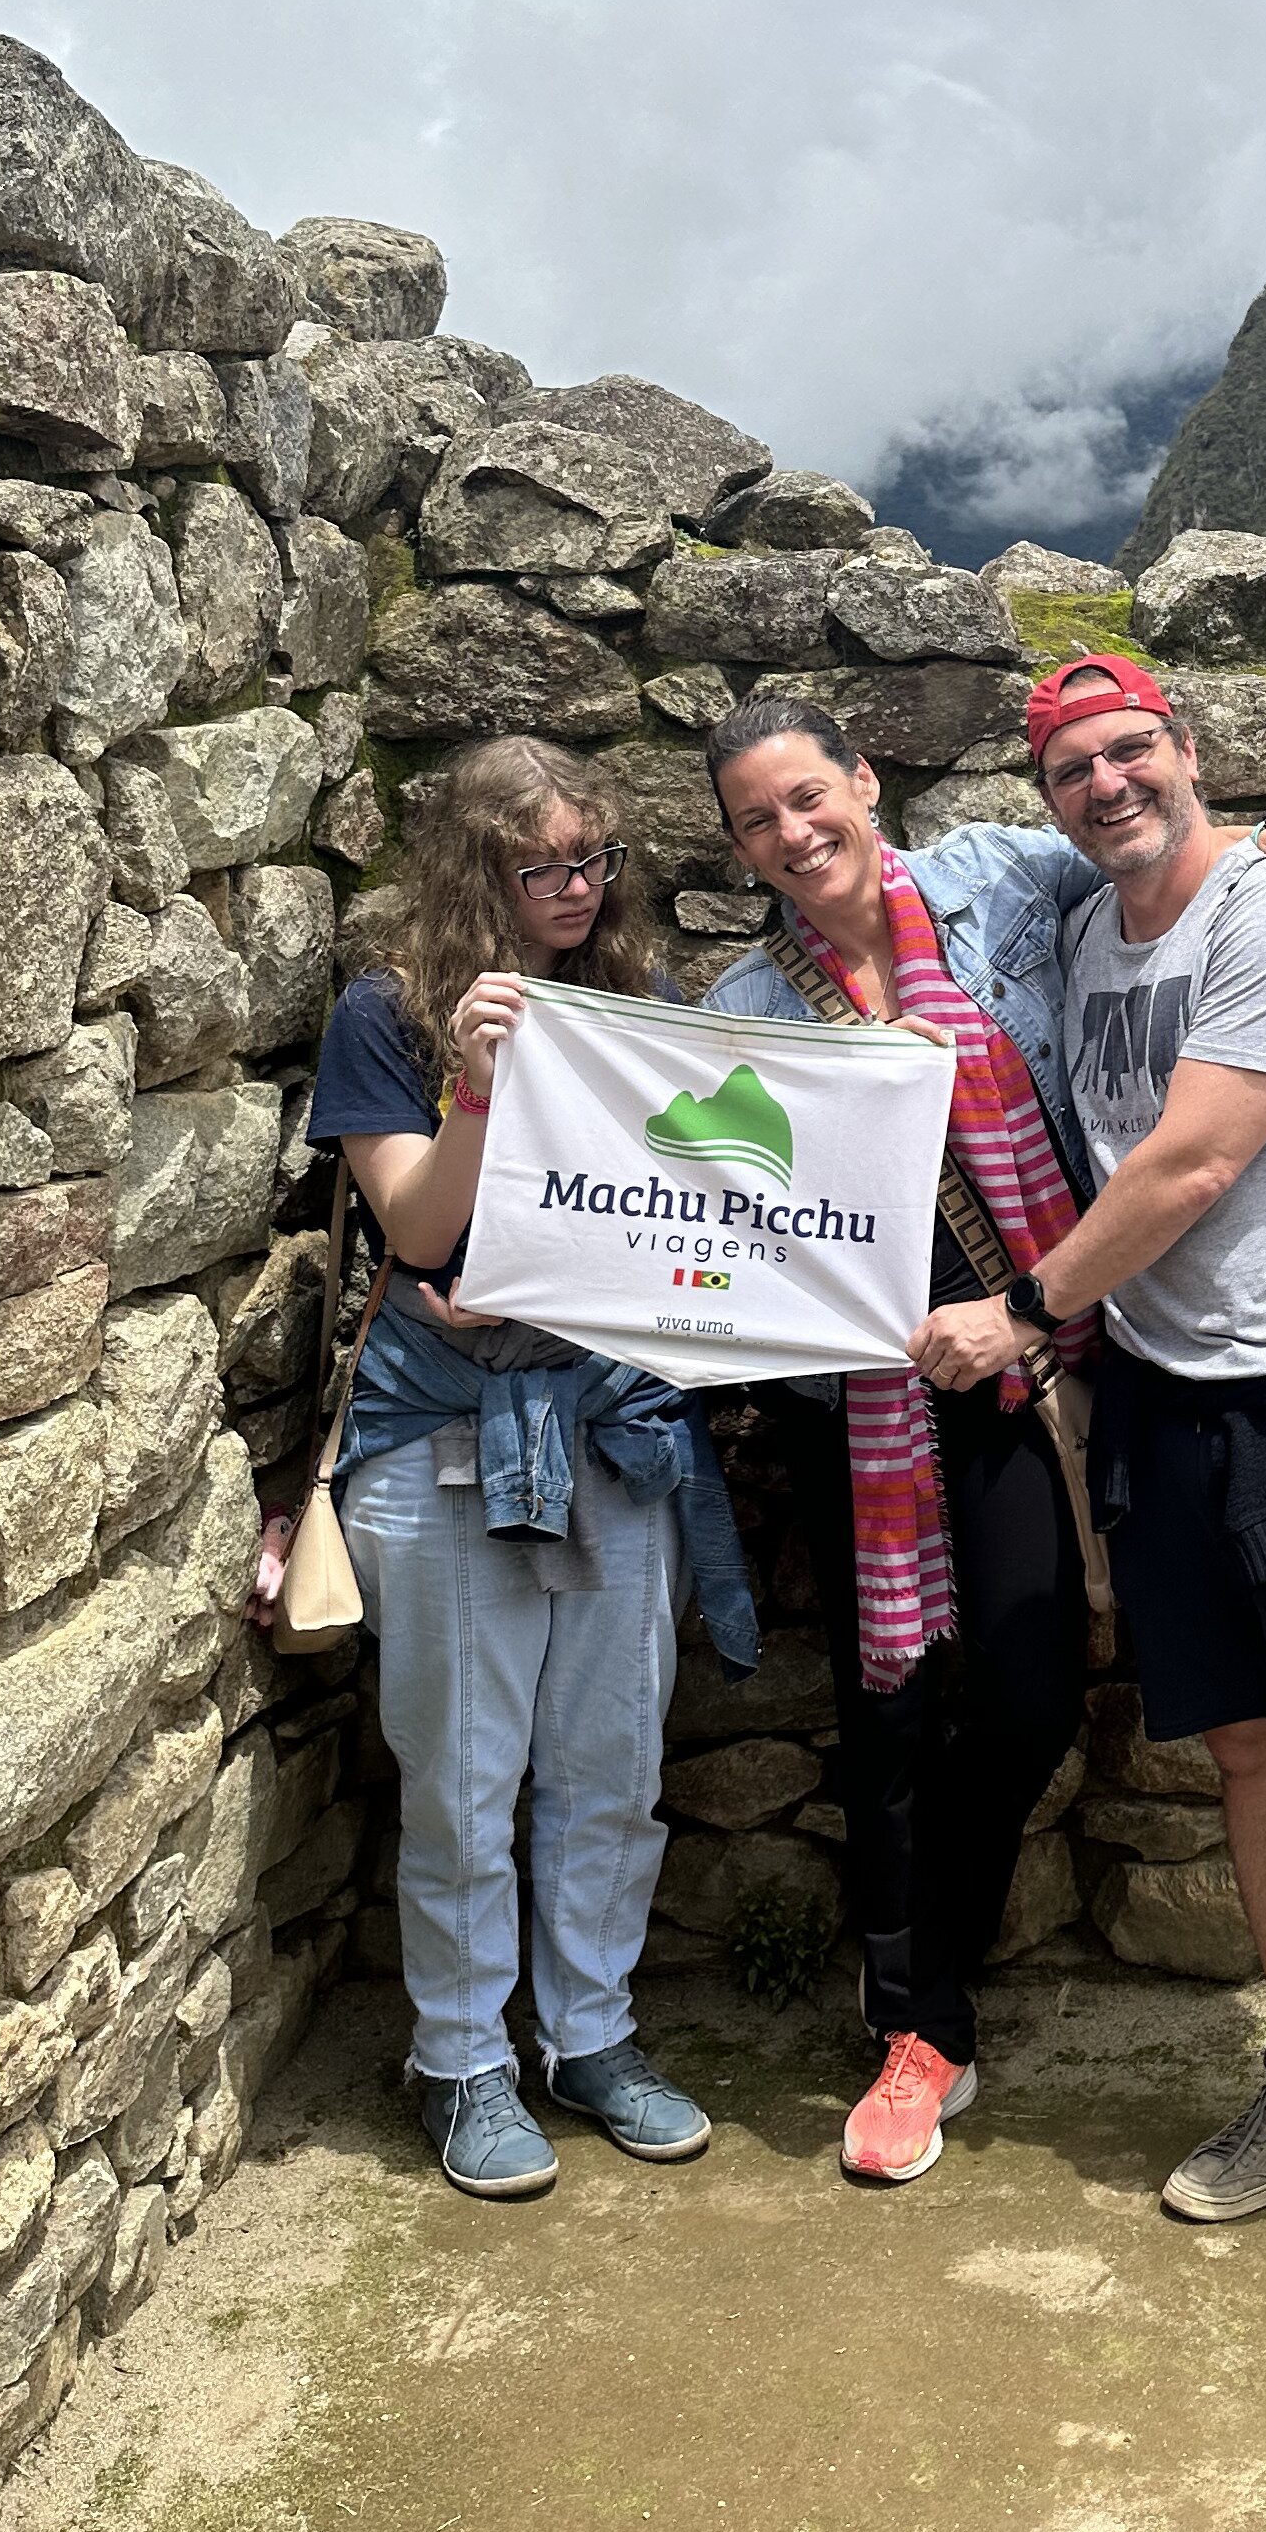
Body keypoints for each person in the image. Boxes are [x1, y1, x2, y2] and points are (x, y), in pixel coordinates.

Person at [697, 698, 1266, 2186]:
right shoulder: (747, 1001)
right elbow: (694, 1198)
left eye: (812, 796)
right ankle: (918, 2028)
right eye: (757, 821)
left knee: (1026, 1685)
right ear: (737, 844)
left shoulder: (998, 879)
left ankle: (928, 1982)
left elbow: (1146, 864)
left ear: (866, 783)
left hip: (1039, 1344)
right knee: (889, 1709)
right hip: (868, 1386)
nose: (796, 835)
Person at [912, 654, 1266, 2339]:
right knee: (1246, 1748)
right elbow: (891, 882)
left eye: (1131, 751)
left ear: (1186, 751)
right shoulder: (1084, 935)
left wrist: (1022, 1311)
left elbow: (1195, 1158)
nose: (1107, 786)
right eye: (1074, 769)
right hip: (1168, 1396)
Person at [302, 735, 758, 2201]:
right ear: (476, 872)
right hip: (438, 1430)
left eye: (594, 860)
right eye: (542, 865)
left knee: (613, 1769)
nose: (575, 888)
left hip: (610, 1419)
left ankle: (588, 2038)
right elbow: (421, 1236)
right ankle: (462, 2062)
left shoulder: (639, 999)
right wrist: (482, 1089)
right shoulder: (388, 1015)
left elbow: (678, 1214)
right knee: (462, 1776)